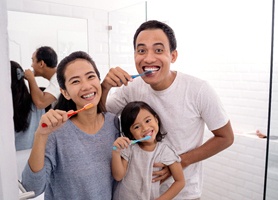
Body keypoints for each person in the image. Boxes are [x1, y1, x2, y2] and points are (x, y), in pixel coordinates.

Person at [101, 20, 234, 199]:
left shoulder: (199, 90)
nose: (148, 58)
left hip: (184, 195)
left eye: (158, 50)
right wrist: (105, 87)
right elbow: (100, 117)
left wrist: (179, 163)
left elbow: (226, 137)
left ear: (173, 56)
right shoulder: (132, 88)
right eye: (141, 50)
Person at [21, 51, 120, 200]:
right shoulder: (55, 131)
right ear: (65, 93)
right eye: (75, 81)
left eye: (90, 77)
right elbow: (32, 188)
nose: (86, 86)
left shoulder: (113, 123)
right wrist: (41, 135)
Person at [112, 101, 185, 200]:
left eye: (147, 121)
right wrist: (116, 152)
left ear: (156, 120)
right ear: (130, 134)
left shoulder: (165, 151)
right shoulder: (129, 149)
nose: (145, 128)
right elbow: (118, 176)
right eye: (137, 127)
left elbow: (180, 181)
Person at [10, 60, 45, 151]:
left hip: (8, 160)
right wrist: (31, 79)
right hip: (33, 158)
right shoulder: (38, 104)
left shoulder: (5, 108)